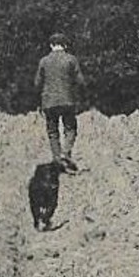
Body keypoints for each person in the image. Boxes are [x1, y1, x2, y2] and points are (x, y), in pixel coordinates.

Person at [35, 32, 85, 172]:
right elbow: (80, 81)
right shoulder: (71, 60)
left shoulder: (44, 61)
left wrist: (40, 100)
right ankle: (66, 152)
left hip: (49, 102)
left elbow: (37, 83)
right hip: (67, 100)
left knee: (52, 131)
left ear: (51, 45)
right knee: (70, 128)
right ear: (65, 45)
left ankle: (57, 159)